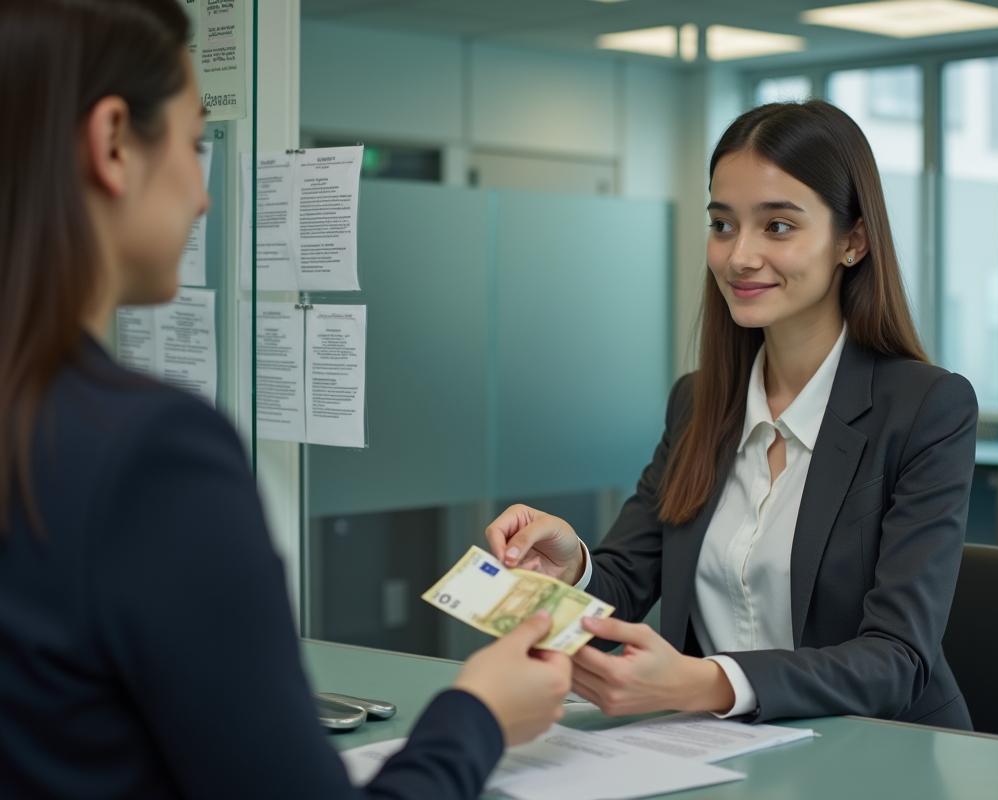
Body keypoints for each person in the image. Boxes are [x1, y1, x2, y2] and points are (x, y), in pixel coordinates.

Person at [0, 2, 571, 798]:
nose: (204, 199)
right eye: (196, 145)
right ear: (113, 142)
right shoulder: (151, 453)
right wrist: (476, 715)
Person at [487, 100, 978, 729]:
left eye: (778, 226)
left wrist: (705, 682)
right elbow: (627, 582)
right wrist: (573, 567)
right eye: (723, 224)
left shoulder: (925, 409)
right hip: (717, 754)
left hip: (879, 752)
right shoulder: (699, 402)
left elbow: (897, 659)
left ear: (851, 241)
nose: (740, 255)